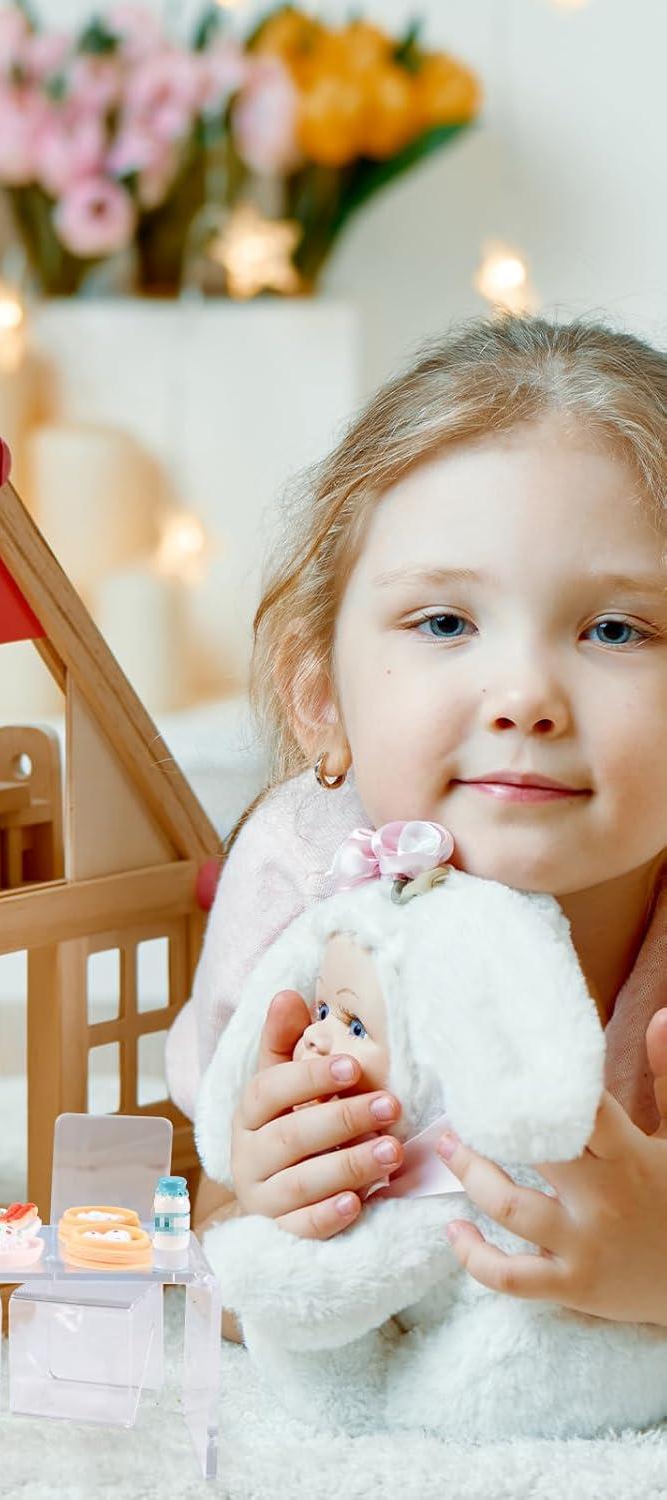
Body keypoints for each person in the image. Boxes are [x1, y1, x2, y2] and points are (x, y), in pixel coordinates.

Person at [166, 315, 667, 1329]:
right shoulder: (303, 876)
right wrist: (273, 1191)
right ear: (320, 697)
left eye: (615, 628)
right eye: (445, 623)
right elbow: (218, 1241)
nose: (525, 696)